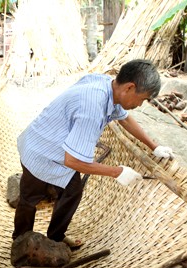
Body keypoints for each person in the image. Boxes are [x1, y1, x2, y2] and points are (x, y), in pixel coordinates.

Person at [12, 59, 174, 248]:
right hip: (40, 149)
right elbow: (72, 161)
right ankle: (20, 242)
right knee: (30, 198)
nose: (140, 105)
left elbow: (125, 119)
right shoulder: (93, 107)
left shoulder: (108, 85)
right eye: (143, 99)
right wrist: (117, 172)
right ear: (130, 87)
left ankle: (55, 238)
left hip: (59, 149)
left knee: (72, 192)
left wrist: (154, 146)